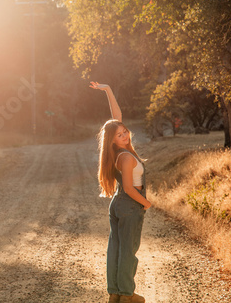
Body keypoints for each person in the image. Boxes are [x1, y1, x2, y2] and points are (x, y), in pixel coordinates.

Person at [90, 81, 152, 303]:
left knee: (115, 250)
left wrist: (107, 89)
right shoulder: (125, 157)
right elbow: (128, 187)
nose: (125, 135)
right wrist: (146, 204)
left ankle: (115, 293)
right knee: (128, 251)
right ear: (112, 140)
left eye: (124, 131)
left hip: (118, 204)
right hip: (129, 204)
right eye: (119, 134)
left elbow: (116, 116)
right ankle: (127, 295)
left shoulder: (115, 152)